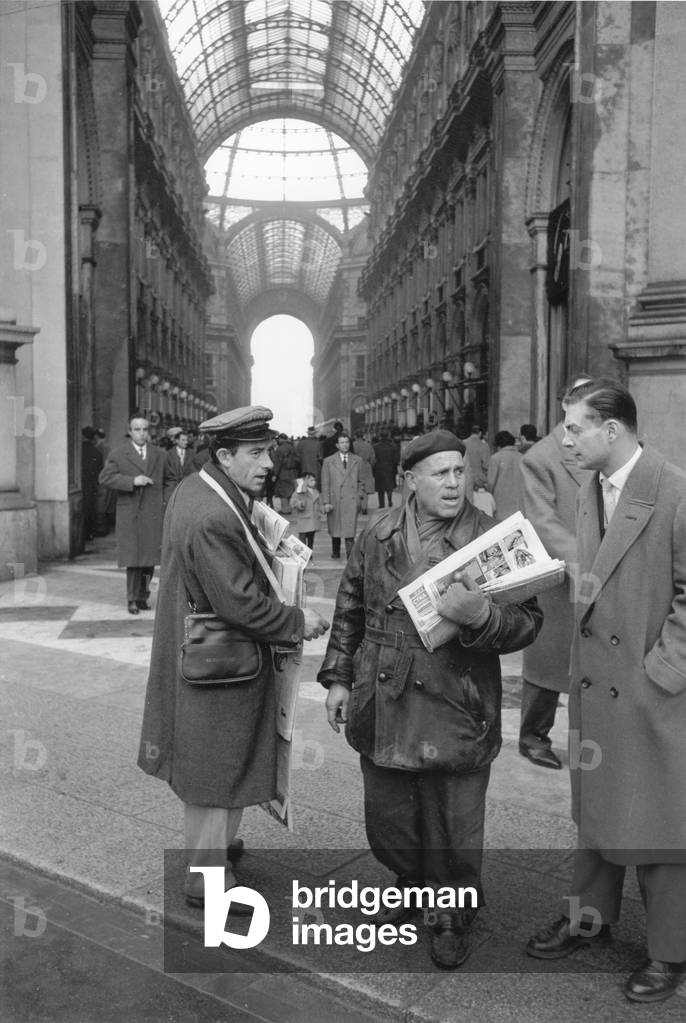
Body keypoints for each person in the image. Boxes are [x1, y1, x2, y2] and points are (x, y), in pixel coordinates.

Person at [318, 431, 542, 968]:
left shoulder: (491, 537)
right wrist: (340, 679)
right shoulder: (377, 534)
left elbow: (529, 620)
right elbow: (350, 608)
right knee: (389, 810)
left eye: (458, 472)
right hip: (386, 688)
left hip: (457, 696)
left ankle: (451, 911)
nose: (451, 482)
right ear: (409, 481)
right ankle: (411, 882)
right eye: (438, 473)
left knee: (454, 813)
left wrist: (483, 618)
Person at [527, 378, 686, 1004]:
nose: (564, 441)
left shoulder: (673, 490)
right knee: (596, 810)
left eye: (574, 428)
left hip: (650, 691)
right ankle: (589, 916)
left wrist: (662, 675)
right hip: (599, 683)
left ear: (611, 430)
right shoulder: (595, 488)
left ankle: (670, 952)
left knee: (658, 823)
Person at [137, 406, 329, 907]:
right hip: (219, 664)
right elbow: (239, 601)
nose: (269, 462)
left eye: (268, 450)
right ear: (225, 455)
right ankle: (205, 877)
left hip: (206, 656)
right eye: (256, 453)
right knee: (216, 769)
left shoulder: (200, 489)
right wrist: (296, 622)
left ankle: (216, 851)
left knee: (215, 764)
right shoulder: (214, 513)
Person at [518, 377, 591, 769]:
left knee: (592, 666)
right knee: (548, 664)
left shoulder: (601, 446)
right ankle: (533, 736)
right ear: (565, 404)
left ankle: (588, 742)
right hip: (561, 576)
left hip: (600, 574)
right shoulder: (542, 456)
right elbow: (542, 521)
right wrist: (585, 559)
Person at [99, 416, 166, 614]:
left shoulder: (159, 454)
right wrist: (132, 481)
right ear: (130, 431)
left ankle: (144, 597)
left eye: (145, 429)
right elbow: (105, 478)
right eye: (137, 429)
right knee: (133, 560)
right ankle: (132, 599)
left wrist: (166, 500)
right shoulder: (119, 454)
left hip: (153, 513)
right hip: (131, 513)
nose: (141, 433)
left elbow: (171, 478)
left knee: (149, 559)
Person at [320, 432, 365, 559]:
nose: (345, 445)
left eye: (347, 442)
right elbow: (325, 483)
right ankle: (336, 551)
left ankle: (350, 554)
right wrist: (326, 501)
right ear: (337, 445)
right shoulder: (328, 461)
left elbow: (361, 481)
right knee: (335, 527)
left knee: (350, 530)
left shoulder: (357, 460)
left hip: (351, 500)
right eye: (342, 443)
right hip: (335, 500)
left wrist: (359, 497)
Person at [487, 430, 522, 522]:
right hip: (520, 502)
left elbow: (491, 483)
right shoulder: (523, 457)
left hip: (501, 502)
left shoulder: (495, 458)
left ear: (498, 445)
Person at [81, 426, 104, 542]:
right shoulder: (97, 452)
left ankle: (84, 533)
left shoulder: (78, 450)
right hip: (93, 484)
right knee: (92, 508)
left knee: (84, 508)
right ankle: (90, 532)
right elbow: (101, 469)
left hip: (81, 483)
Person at [290, 472, 321, 550]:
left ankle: (309, 553)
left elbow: (319, 504)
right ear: (305, 480)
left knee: (311, 539)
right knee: (302, 540)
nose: (314, 482)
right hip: (304, 519)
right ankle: (303, 554)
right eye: (311, 480)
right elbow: (292, 502)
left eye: (314, 480)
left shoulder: (315, 491)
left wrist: (323, 509)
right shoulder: (299, 491)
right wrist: (299, 504)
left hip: (313, 520)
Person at [163, 428, 195, 501]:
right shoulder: (168, 454)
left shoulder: (192, 453)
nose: (186, 442)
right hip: (171, 490)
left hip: (187, 489)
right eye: (183, 440)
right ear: (177, 441)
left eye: (186, 440)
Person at [271, 433, 298, 513]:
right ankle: (288, 507)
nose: (278, 440)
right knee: (289, 490)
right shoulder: (292, 447)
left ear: (281, 439)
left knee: (283, 491)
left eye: (279, 439)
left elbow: (277, 463)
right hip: (292, 472)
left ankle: (285, 509)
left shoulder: (280, 449)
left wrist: (275, 474)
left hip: (283, 473)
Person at [372, 431, 399, 508]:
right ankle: (390, 500)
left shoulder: (375, 447)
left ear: (380, 436)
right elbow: (396, 459)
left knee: (380, 488)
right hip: (390, 468)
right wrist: (395, 468)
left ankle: (381, 504)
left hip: (379, 469)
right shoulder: (393, 446)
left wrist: (373, 469)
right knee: (389, 486)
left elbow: (374, 459)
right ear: (388, 436)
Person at [352, 430, 376, 513]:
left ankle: (357, 506)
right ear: (363, 436)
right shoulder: (368, 445)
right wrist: (370, 466)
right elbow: (373, 458)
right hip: (366, 466)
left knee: (356, 486)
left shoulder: (353, 445)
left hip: (355, 466)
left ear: (355, 436)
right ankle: (364, 507)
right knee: (365, 488)